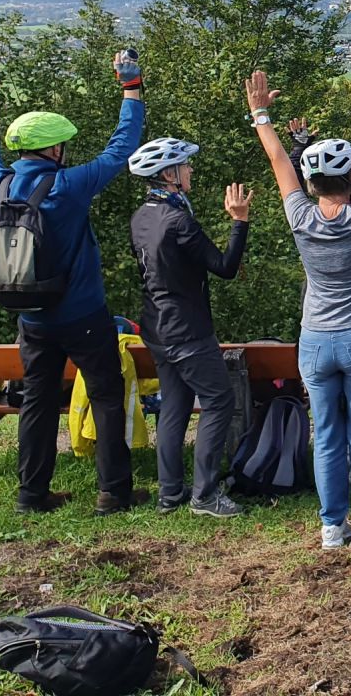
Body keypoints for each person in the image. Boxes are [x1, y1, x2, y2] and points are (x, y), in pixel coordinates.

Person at [0, 51, 147, 515]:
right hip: (84, 315)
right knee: (106, 397)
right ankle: (113, 493)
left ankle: (32, 495)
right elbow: (121, 149)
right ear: (54, 150)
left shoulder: (1, 185)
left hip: (32, 318)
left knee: (38, 403)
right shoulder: (70, 186)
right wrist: (131, 89)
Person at [246, 63, 351, 550]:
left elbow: (279, 160)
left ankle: (330, 526)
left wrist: (261, 114)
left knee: (326, 433)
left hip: (316, 340)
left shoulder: (300, 217)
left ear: (313, 183)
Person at [127, 137, 252, 517]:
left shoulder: (141, 217)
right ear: (169, 175)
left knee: (175, 404)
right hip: (187, 329)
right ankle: (206, 495)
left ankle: (170, 493)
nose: (191, 170)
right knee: (218, 400)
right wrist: (239, 222)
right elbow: (225, 267)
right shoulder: (179, 220)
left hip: (156, 327)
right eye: (185, 165)